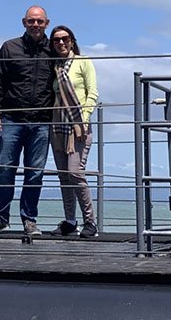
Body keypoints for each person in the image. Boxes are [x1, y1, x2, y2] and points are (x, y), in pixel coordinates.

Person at [0, 6, 55, 236]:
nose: (35, 25)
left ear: (47, 23)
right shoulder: (9, 47)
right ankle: (1, 218)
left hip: (42, 122)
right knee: (4, 170)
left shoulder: (54, 50)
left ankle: (29, 220)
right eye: (31, 21)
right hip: (11, 119)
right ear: (24, 22)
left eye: (39, 21)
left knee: (35, 173)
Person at [48, 25, 99, 238]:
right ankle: (70, 221)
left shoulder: (83, 62)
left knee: (75, 172)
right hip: (57, 127)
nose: (61, 42)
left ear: (72, 40)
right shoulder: (53, 66)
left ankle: (91, 222)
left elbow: (92, 92)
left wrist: (83, 120)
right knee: (63, 176)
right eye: (56, 40)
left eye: (65, 39)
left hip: (78, 127)